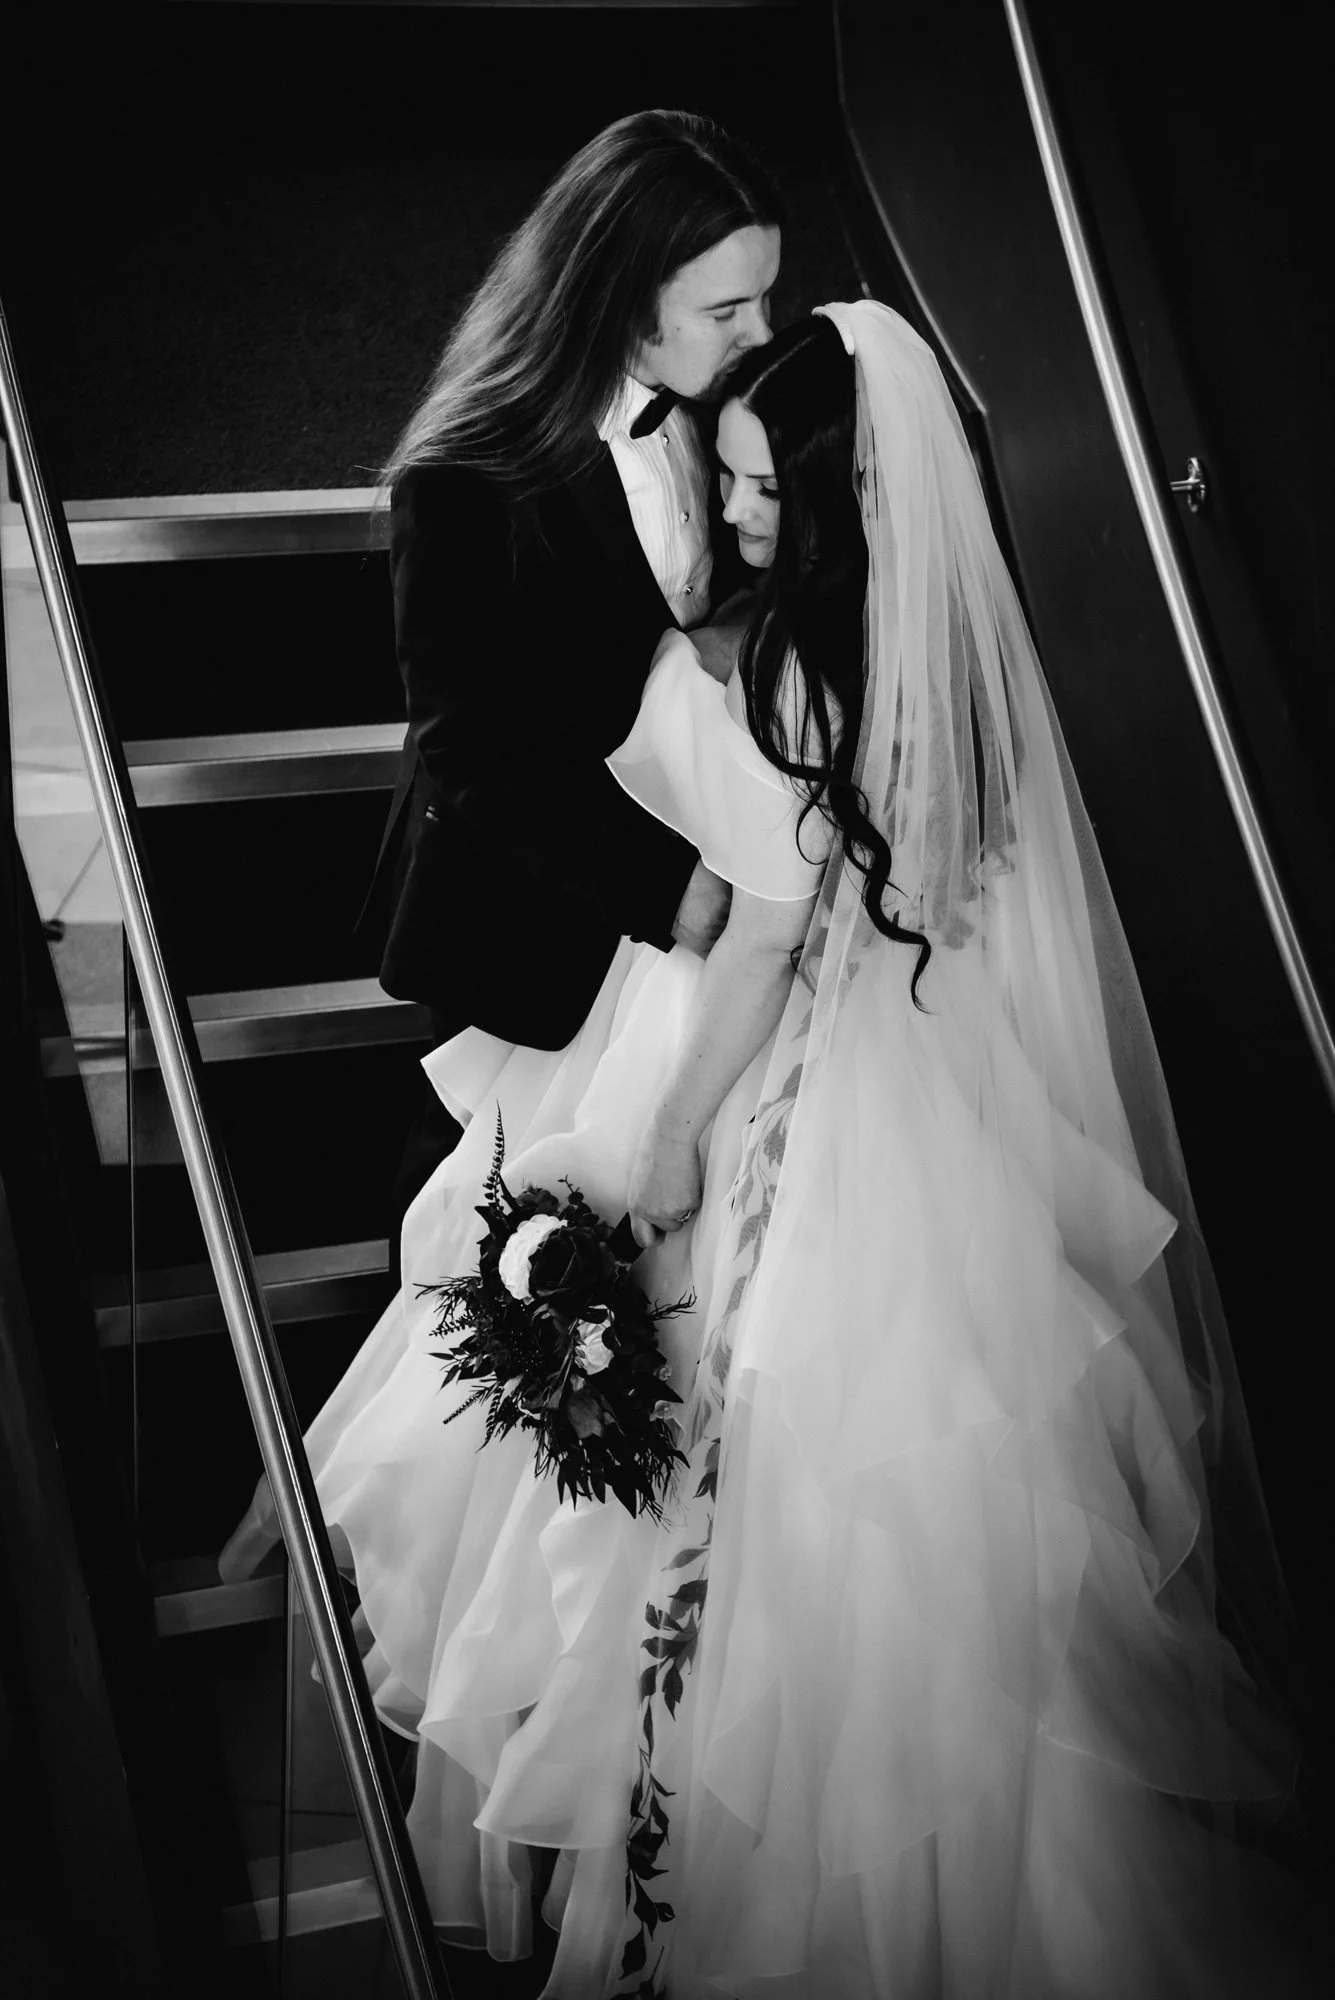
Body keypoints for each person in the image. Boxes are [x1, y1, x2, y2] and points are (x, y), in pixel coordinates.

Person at [226, 303, 1311, 1996]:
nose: (730, 513)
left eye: (755, 487)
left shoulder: (801, 669)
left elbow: (757, 933)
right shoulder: (929, 660)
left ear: (840, 492)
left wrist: (663, 1139)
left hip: (759, 1081)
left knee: (761, 1502)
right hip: (896, 1087)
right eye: (723, 476)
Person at [363, 109, 782, 1222]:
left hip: (692, 896)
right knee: (484, 1220)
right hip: (534, 907)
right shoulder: (467, 475)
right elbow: (473, 751)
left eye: (766, 297)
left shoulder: (728, 411)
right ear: (623, 299)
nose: (760, 333)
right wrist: (668, 889)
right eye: (727, 310)